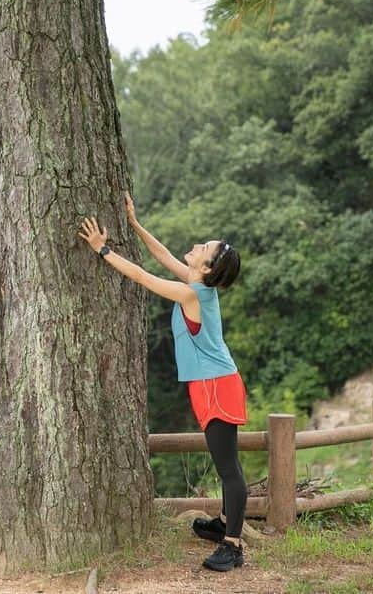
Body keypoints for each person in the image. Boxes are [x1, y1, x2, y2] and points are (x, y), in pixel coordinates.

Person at [76, 193, 247, 572]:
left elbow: (141, 276)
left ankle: (233, 546)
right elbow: (162, 257)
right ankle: (223, 524)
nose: (197, 245)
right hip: (211, 383)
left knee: (228, 467)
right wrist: (135, 225)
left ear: (207, 267)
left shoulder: (191, 292)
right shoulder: (195, 283)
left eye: (204, 247)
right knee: (227, 463)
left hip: (217, 385)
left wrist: (102, 250)